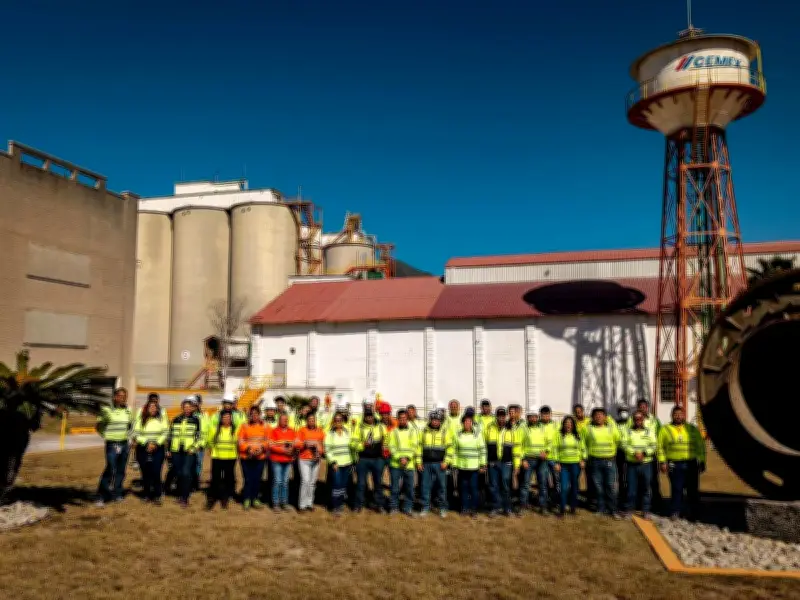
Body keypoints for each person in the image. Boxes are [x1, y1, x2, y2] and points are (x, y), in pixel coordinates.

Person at [658, 405, 706, 520]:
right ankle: (675, 511)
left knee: (693, 490)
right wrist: (662, 462)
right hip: (675, 464)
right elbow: (660, 447)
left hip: (691, 464)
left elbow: (700, 446)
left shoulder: (692, 429)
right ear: (672, 415)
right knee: (676, 489)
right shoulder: (665, 429)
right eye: (676, 414)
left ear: (684, 415)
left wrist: (702, 461)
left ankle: (694, 513)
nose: (678, 416)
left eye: (681, 414)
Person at [95, 387, 134, 506]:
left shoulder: (128, 411)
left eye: (125, 397)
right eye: (120, 396)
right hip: (112, 444)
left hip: (124, 444)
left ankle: (117, 493)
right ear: (115, 397)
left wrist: (130, 438)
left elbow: (131, 426)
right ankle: (102, 495)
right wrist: (106, 435)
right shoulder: (106, 410)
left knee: (121, 470)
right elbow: (99, 425)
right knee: (110, 468)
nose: (123, 399)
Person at [584, 407, 622, 519]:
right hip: (594, 461)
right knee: (598, 487)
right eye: (596, 415)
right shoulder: (588, 429)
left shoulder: (612, 428)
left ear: (605, 417)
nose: (599, 417)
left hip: (609, 460)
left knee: (611, 486)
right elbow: (583, 444)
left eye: (601, 415)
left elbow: (618, 440)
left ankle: (613, 509)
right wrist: (585, 458)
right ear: (592, 417)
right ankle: (600, 508)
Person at [484, 407, 520, 517]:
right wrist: (484, 462)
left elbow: (517, 448)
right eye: (499, 415)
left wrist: (517, 465)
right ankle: (496, 507)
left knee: (506, 486)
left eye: (503, 416)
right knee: (493, 486)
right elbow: (484, 446)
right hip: (493, 463)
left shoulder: (512, 429)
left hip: (506, 463)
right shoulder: (489, 428)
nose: (501, 418)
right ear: (496, 416)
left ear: (506, 416)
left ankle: (507, 508)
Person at [167, 399, 203, 507]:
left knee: (186, 473)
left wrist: (194, 448)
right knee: (178, 473)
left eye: (189, 407)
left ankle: (185, 498)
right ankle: (180, 494)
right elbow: (171, 436)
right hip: (176, 450)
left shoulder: (196, 420)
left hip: (189, 451)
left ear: (192, 408)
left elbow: (199, 436)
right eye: (185, 407)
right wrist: (168, 449)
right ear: (182, 408)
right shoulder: (176, 419)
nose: (187, 409)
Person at [627, 399, 662, 510]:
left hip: (650, 455)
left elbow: (659, 437)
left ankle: (656, 503)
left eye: (644, 406)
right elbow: (627, 435)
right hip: (634, 456)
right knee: (635, 482)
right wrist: (634, 452)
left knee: (652, 480)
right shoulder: (631, 419)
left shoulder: (654, 420)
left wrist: (648, 452)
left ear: (648, 407)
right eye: (640, 406)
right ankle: (637, 504)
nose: (642, 408)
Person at [622, 410, 657, 519]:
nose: (638, 421)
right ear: (633, 420)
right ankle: (629, 510)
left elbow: (654, 445)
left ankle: (646, 510)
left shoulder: (649, 432)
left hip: (646, 464)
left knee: (646, 487)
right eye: (636, 419)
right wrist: (634, 453)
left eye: (640, 419)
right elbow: (624, 444)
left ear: (643, 420)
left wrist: (644, 453)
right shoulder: (627, 432)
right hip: (632, 464)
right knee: (631, 488)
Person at [351, 406, 387, 512]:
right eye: (367, 416)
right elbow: (353, 443)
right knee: (361, 483)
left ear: (373, 416)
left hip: (377, 459)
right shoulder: (359, 428)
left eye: (370, 415)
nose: (369, 418)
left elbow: (387, 438)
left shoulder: (381, 427)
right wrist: (362, 444)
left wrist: (385, 446)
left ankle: (378, 504)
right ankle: (359, 505)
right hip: (363, 459)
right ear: (364, 417)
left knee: (378, 483)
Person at [417, 410, 452, 518]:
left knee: (442, 487)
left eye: (437, 420)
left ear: (440, 421)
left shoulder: (445, 431)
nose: (435, 422)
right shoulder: (424, 431)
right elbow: (419, 447)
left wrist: (446, 462)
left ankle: (442, 508)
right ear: (430, 420)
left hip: (440, 464)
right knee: (425, 486)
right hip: (426, 463)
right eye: (433, 420)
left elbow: (450, 448)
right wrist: (418, 462)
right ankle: (425, 508)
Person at [133, 398, 168, 504]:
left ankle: (157, 494)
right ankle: (147, 494)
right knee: (146, 472)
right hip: (143, 449)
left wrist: (156, 443)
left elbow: (165, 432)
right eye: (150, 407)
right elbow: (136, 433)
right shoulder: (141, 419)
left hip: (158, 449)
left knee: (156, 472)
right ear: (147, 408)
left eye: (155, 407)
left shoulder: (161, 418)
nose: (153, 409)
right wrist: (146, 443)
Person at [451, 413, 487, 518]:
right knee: (463, 488)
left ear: (472, 423)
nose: (467, 423)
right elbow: (454, 450)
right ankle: (464, 508)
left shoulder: (478, 434)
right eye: (465, 422)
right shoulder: (457, 434)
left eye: (469, 422)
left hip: (474, 467)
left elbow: (482, 450)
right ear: (462, 423)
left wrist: (483, 464)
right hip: (462, 467)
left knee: (474, 488)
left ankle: (474, 509)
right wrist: (454, 464)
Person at [520, 408, 553, 515]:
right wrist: (523, 459)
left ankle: (543, 506)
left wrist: (547, 452)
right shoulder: (523, 429)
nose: (533, 418)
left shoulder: (543, 428)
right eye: (531, 416)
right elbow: (519, 445)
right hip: (528, 460)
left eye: (535, 416)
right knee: (525, 484)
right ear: (528, 418)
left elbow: (549, 442)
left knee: (543, 484)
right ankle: (523, 506)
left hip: (541, 460)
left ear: (537, 417)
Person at [387, 409, 419, 516]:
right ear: (398, 419)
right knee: (394, 488)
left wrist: (407, 458)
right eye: (400, 418)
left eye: (404, 418)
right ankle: (394, 507)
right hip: (396, 465)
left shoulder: (412, 431)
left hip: (409, 465)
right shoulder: (393, 432)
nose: (402, 420)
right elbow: (391, 447)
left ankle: (407, 508)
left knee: (409, 489)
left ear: (407, 419)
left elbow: (414, 446)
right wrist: (400, 458)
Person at [552, 415, 586, 516]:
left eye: (570, 423)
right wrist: (556, 462)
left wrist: (583, 459)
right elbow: (555, 449)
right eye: (566, 423)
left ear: (573, 425)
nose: (568, 425)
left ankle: (573, 507)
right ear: (563, 424)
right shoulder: (559, 435)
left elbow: (583, 448)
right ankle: (562, 509)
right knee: (564, 487)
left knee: (575, 486)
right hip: (563, 465)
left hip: (575, 464)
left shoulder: (578, 435)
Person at [206, 410, 239, 510]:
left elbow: (237, 442)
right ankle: (212, 498)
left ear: (231, 419)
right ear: (221, 419)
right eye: (224, 417)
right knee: (215, 478)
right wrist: (211, 449)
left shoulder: (235, 430)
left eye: (228, 418)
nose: (226, 419)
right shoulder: (215, 429)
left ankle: (224, 499)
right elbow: (210, 441)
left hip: (230, 457)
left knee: (228, 479)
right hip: (217, 457)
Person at [238, 405, 270, 510]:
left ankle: (255, 498)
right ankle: (247, 499)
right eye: (252, 414)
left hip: (260, 457)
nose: (254, 416)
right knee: (247, 479)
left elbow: (268, 440)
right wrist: (248, 450)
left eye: (256, 414)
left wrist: (261, 448)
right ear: (249, 415)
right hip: (246, 457)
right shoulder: (244, 426)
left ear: (259, 415)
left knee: (257, 479)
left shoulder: (265, 426)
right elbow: (240, 441)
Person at [325, 412, 353, 516]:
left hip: (347, 462)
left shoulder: (347, 432)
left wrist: (352, 461)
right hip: (336, 464)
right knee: (336, 484)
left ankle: (340, 504)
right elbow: (327, 449)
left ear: (343, 421)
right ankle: (335, 506)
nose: (338, 422)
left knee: (343, 484)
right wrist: (333, 462)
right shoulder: (330, 434)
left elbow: (350, 447)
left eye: (340, 420)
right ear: (333, 421)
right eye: (336, 420)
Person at [295, 413, 325, 511]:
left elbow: (323, 445)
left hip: (316, 460)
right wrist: (305, 444)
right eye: (309, 420)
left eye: (313, 420)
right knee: (305, 481)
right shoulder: (302, 430)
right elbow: (296, 444)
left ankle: (309, 503)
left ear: (315, 420)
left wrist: (319, 452)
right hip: (304, 459)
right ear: (306, 421)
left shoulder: (320, 431)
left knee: (312, 482)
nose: (311, 421)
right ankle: (302, 505)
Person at [269, 413, 296, 510]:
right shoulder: (274, 431)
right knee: (277, 481)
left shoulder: (292, 431)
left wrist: (291, 451)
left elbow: (294, 444)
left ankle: (284, 502)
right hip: (276, 460)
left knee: (285, 482)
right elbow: (271, 446)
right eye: (283, 419)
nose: (285, 421)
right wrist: (284, 450)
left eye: (286, 419)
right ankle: (276, 503)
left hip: (288, 460)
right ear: (279, 420)